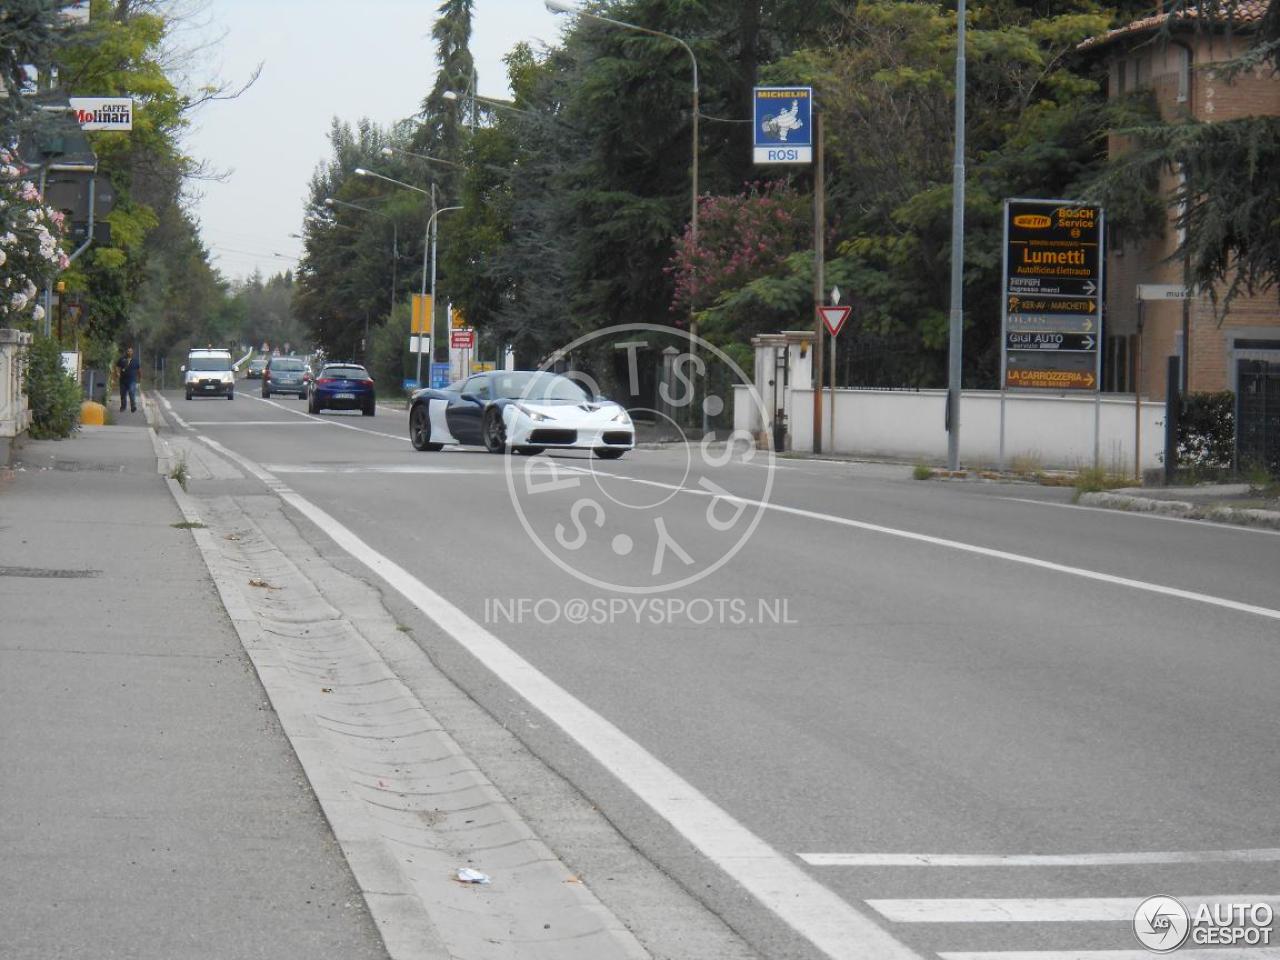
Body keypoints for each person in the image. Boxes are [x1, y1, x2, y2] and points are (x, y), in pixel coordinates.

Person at [116, 346, 140, 412]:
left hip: (132, 380)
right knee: (123, 394)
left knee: (132, 392)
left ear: (132, 352)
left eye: (130, 351)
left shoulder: (136, 360)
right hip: (123, 380)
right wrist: (118, 373)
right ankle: (123, 407)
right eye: (128, 351)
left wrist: (139, 381)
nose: (129, 352)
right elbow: (117, 367)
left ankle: (133, 406)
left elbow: (139, 371)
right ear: (126, 352)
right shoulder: (122, 359)